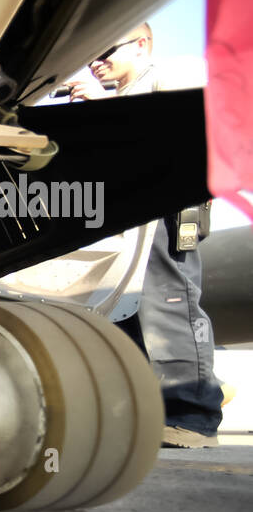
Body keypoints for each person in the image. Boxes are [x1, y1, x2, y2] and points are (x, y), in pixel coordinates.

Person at [63, 23, 224, 447]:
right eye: (90, 57)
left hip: (167, 212)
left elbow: (186, 130)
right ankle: (150, 413)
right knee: (124, 312)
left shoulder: (173, 74)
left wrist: (109, 112)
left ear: (141, 44)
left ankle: (192, 417)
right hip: (124, 222)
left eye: (104, 50)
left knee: (168, 302)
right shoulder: (117, 99)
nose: (96, 63)